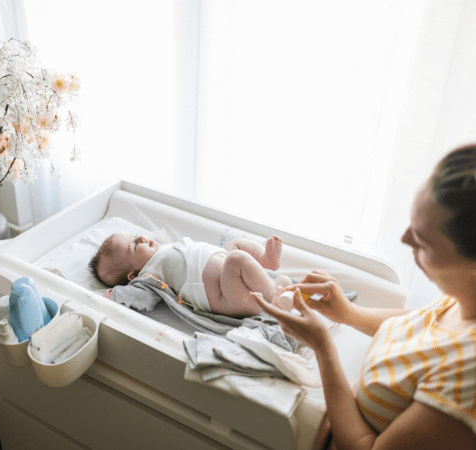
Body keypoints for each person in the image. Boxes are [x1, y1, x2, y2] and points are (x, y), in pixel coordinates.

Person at [253, 145, 476, 449]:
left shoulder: (466, 388)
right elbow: (426, 327)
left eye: (422, 243)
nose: (404, 239)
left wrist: (323, 348)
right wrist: (349, 314)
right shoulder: (463, 300)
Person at [88, 233, 292, 317]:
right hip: (226, 296)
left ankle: (266, 264)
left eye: (134, 235)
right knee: (236, 259)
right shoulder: (148, 275)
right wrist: (112, 295)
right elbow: (142, 298)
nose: (141, 237)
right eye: (134, 245)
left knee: (235, 245)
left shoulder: (164, 248)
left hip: (234, 279)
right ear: (133, 274)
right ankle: (273, 299)